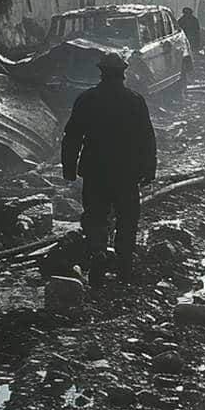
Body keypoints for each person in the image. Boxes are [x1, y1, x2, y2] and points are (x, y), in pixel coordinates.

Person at [61, 52, 156, 285]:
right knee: (127, 219)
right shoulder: (134, 100)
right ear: (123, 73)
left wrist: (69, 167)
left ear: (101, 72)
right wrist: (148, 169)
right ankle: (124, 268)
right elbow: (147, 139)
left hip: (95, 171)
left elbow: (72, 136)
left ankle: (98, 254)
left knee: (95, 217)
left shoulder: (86, 99)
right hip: (126, 172)